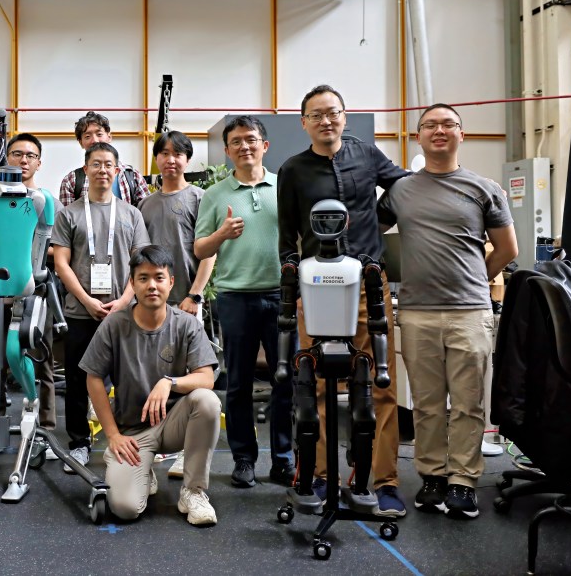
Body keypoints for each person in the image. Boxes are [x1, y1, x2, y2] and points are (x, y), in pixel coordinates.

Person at [377, 104, 516, 519]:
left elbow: (508, 249)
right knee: (427, 403)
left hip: (469, 312)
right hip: (417, 312)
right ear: (418, 136)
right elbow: (368, 231)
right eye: (430, 125)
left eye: (448, 124)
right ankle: (433, 477)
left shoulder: (484, 188)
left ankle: (463, 482)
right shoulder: (400, 190)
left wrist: (475, 278)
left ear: (461, 134)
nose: (440, 130)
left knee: (469, 402)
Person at [277, 84, 409, 518]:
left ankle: (381, 481)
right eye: (316, 115)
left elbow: (404, 186)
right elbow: (287, 237)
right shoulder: (293, 170)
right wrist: (293, 290)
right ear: (304, 123)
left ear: (344, 116)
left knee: (378, 383)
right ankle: (317, 476)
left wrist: (379, 218)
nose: (326, 121)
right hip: (318, 286)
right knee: (314, 382)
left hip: (368, 284)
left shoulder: (367, 155)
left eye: (332, 112)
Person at [79, 245, 221, 525]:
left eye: (159, 277)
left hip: (173, 424)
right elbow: (93, 377)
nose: (152, 285)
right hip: (133, 433)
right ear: (132, 284)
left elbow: (207, 377)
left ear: (171, 282)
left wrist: (169, 382)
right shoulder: (114, 325)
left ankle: (193, 492)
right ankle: (140, 469)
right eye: (143, 278)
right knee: (125, 508)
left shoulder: (186, 325)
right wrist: (113, 435)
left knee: (207, 401)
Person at [194, 116, 295, 489]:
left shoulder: (284, 187)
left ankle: (284, 459)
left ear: (264, 146)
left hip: (282, 296)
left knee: (287, 380)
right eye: (235, 141)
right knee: (237, 382)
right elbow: (200, 248)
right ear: (227, 150)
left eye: (251, 139)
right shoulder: (214, 194)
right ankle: (243, 459)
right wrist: (221, 234)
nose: (244, 146)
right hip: (235, 296)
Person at [52, 142, 151, 472]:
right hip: (80, 312)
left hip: (123, 313)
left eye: (109, 164)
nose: (102, 170)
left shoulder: (132, 214)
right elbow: (62, 263)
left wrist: (124, 301)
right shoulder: (69, 214)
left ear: (117, 171)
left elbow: (141, 264)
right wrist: (86, 299)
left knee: (128, 379)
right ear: (86, 170)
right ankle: (79, 443)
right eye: (96, 164)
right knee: (78, 380)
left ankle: (128, 441)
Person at [0, 133, 61, 439]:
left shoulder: (46, 202)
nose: (23, 160)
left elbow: (60, 247)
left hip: (34, 291)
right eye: (17, 154)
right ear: (6, 159)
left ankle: (45, 430)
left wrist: (29, 254)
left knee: (40, 358)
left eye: (30, 155)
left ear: (39, 163)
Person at [139, 130, 215, 479]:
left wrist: (195, 295)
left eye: (178, 154)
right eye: (164, 153)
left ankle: (187, 450)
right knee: (155, 374)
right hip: (155, 305)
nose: (170, 160)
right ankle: (156, 442)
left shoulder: (200, 198)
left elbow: (209, 253)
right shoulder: (146, 205)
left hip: (188, 302)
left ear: (187, 159)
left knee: (192, 376)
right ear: (156, 159)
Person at [58, 111, 149, 207]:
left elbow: (144, 213)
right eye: (87, 136)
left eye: (99, 134)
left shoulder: (133, 176)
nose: (95, 140)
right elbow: (67, 215)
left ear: (109, 137)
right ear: (81, 142)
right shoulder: (71, 180)